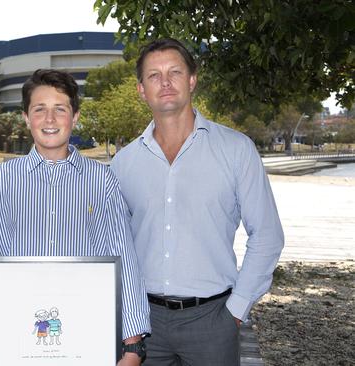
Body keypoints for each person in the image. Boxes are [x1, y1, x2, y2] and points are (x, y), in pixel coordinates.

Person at [0, 69, 151, 366]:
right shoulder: (1, 180)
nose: (50, 120)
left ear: (74, 118)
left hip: (87, 340)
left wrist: (133, 349)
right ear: (25, 117)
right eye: (39, 110)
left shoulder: (102, 181)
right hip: (14, 339)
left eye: (60, 109)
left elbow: (124, 259)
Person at [111, 38, 285, 365]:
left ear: (192, 80)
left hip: (213, 320)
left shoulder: (236, 150)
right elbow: (114, 244)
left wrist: (235, 311)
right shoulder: (124, 163)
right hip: (142, 323)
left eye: (175, 72)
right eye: (154, 75)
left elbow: (267, 235)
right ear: (141, 90)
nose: (165, 82)